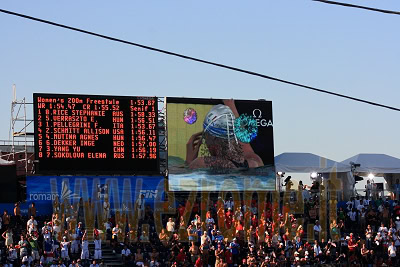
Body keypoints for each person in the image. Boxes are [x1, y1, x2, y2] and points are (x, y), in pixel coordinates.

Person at [186, 100, 264, 170]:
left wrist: (189, 162)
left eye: (205, 137)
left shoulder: (202, 163)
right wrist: (230, 104)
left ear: (213, 138)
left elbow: (185, 179)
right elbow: (246, 149)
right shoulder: (255, 162)